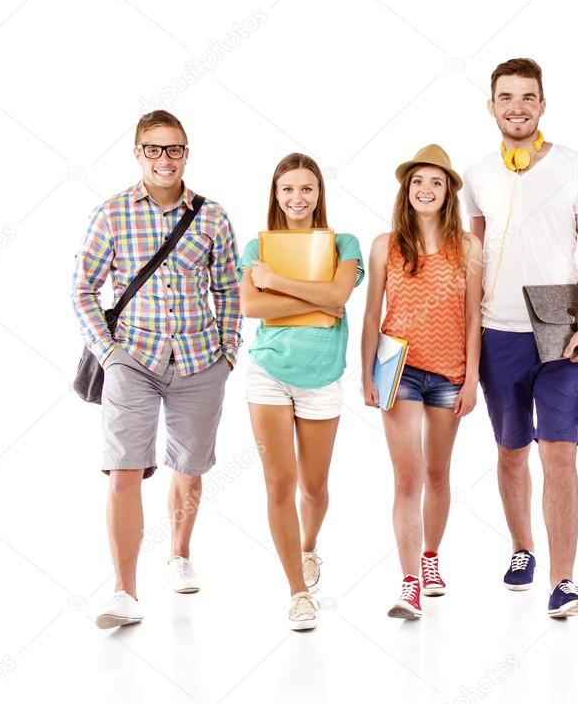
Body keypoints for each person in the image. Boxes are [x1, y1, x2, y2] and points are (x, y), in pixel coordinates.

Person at [72, 110, 241, 629]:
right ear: (137, 153)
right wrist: (109, 353)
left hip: (198, 360)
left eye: (174, 149)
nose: (164, 159)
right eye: (153, 149)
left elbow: (229, 288)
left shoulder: (211, 216)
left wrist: (228, 351)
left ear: (186, 154)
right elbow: (83, 290)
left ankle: (179, 553)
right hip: (133, 361)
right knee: (124, 469)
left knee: (189, 468)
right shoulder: (112, 214)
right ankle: (123, 591)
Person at [463, 58, 578, 618]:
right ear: (492, 105)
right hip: (497, 323)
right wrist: (467, 330)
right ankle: (522, 548)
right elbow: (473, 257)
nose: (517, 106)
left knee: (561, 453)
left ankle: (563, 580)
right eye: (506, 97)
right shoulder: (476, 174)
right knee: (511, 449)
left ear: (543, 105)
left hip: (559, 312)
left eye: (528, 97)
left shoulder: (575, 166)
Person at [237, 153, 364, 631]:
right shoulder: (257, 247)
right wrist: (309, 295)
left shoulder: (344, 244)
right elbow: (251, 305)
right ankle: (297, 591)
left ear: (319, 194)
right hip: (268, 373)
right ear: (276, 194)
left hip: (322, 376)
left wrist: (279, 286)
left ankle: (309, 547)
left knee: (313, 486)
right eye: (288, 189)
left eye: (307, 189)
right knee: (279, 484)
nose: (297, 198)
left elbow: (337, 299)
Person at [361, 144, 483, 620]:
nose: (426, 190)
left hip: (450, 370)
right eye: (418, 182)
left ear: (448, 192)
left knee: (437, 473)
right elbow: (372, 313)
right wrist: (368, 372)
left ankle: (431, 558)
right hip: (398, 369)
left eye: (435, 182)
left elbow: (474, 316)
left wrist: (472, 378)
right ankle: (409, 580)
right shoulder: (384, 245)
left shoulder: (468, 248)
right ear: (406, 190)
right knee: (408, 478)